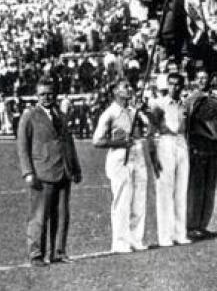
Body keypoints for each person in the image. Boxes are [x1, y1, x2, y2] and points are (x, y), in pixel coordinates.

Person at [16, 79, 82, 266]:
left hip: (63, 171)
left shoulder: (60, 115)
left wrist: (75, 168)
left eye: (50, 93)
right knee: (39, 215)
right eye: (43, 94)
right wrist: (28, 172)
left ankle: (58, 252)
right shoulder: (29, 116)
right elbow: (22, 146)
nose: (47, 97)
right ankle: (36, 254)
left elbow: (68, 143)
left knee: (62, 215)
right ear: (37, 96)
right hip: (42, 173)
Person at [92, 79, 150, 254]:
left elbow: (147, 127)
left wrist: (142, 111)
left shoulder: (134, 111)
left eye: (130, 86)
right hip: (119, 157)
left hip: (137, 154)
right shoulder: (109, 113)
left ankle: (136, 239)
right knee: (122, 200)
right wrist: (117, 142)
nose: (130, 89)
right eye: (126, 87)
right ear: (116, 91)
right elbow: (97, 141)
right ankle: (120, 242)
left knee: (139, 198)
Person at [149, 73, 193, 247]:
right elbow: (151, 132)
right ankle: (165, 236)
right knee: (165, 191)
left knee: (181, 190)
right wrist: (154, 157)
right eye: (172, 84)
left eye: (178, 85)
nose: (175, 87)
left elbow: (186, 128)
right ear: (168, 85)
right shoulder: (158, 105)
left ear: (182, 86)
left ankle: (180, 233)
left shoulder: (184, 105)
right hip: (165, 142)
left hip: (181, 142)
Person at [184, 71, 217, 239]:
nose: (202, 81)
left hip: (213, 146)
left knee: (209, 188)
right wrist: (190, 146)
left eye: (205, 78)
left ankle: (203, 225)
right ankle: (192, 225)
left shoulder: (216, 101)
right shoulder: (190, 100)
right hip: (198, 145)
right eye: (199, 78)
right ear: (195, 80)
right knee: (197, 188)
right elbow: (186, 126)